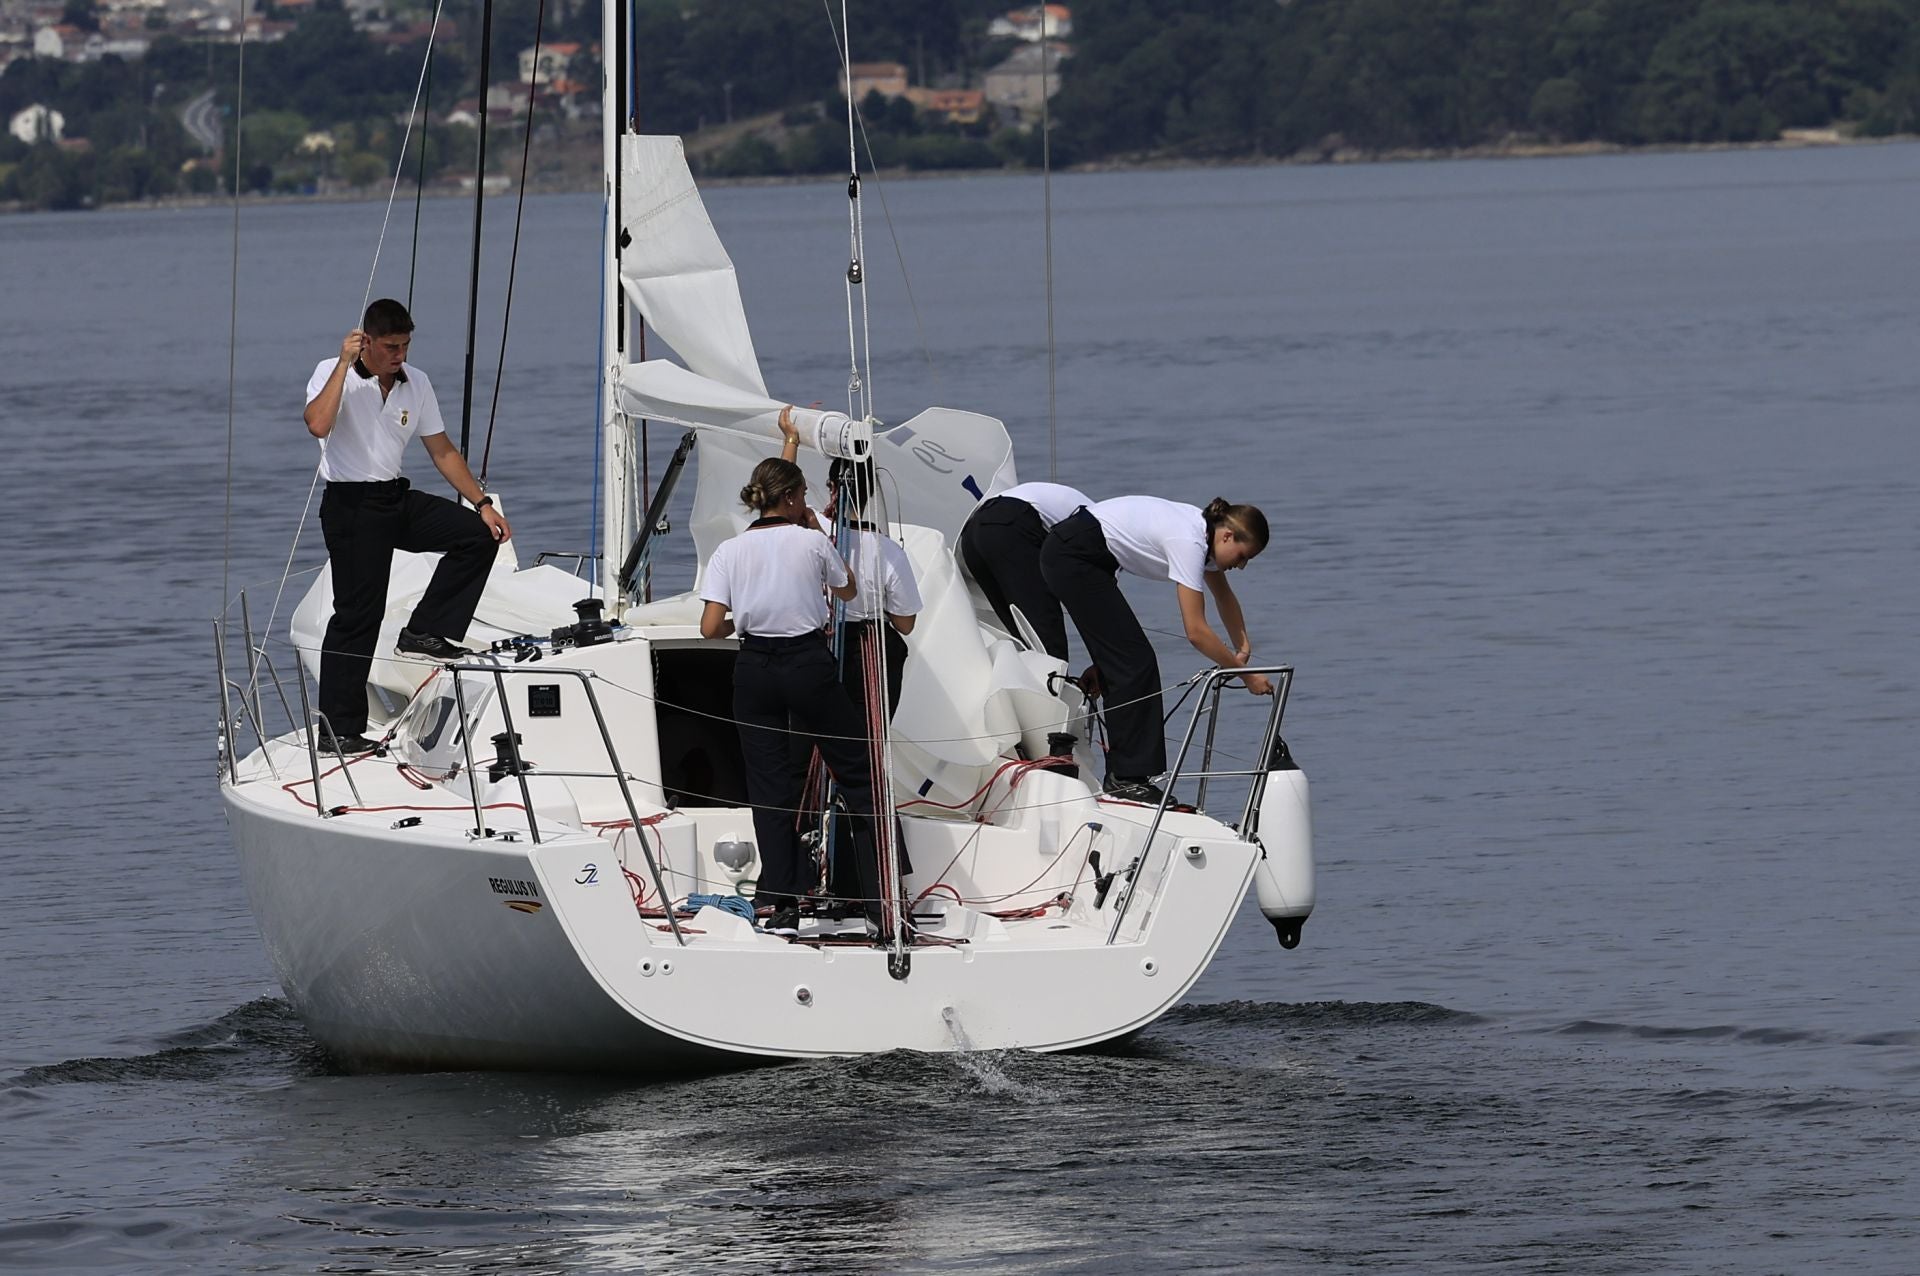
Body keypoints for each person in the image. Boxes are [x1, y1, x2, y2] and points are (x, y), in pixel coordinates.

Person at [303, 298, 509, 754]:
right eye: (391, 346)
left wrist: (482, 503)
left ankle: (424, 632)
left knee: (478, 536)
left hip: (393, 497)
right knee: (358, 616)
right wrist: (343, 363)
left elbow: (442, 451)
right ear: (367, 341)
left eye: (406, 345)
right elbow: (318, 424)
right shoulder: (333, 373)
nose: (400, 354)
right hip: (350, 506)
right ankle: (337, 729)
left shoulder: (416, 383)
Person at [699, 452, 888, 936]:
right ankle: (878, 898)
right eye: (804, 496)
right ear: (789, 498)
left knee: (769, 786)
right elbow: (845, 591)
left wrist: (745, 618)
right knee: (858, 773)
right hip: (806, 664)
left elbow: (709, 628)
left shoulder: (729, 550)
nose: (809, 504)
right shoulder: (810, 542)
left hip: (755, 668)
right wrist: (815, 530)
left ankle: (781, 900)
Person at [1038, 495, 1272, 805]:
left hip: (1085, 555)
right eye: (1243, 556)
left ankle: (1127, 776)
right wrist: (1246, 675)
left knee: (1126, 658)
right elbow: (1196, 632)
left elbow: (1224, 599)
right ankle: (1126, 779)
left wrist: (1243, 646)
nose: (1241, 566)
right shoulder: (1189, 542)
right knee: (1136, 662)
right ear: (1227, 535)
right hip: (1074, 555)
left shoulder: (1203, 535)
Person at [826, 454, 921, 720]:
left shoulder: (815, 535)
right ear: (871, 492)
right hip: (872, 647)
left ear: (832, 488)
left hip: (826, 642)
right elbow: (905, 624)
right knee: (869, 730)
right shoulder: (888, 550)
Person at [956, 480, 1091, 662]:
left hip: (972, 533)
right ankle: (1055, 683)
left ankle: (1036, 680)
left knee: (1022, 635)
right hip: (1008, 524)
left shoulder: (1096, 519)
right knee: (1044, 627)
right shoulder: (1104, 543)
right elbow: (1093, 607)